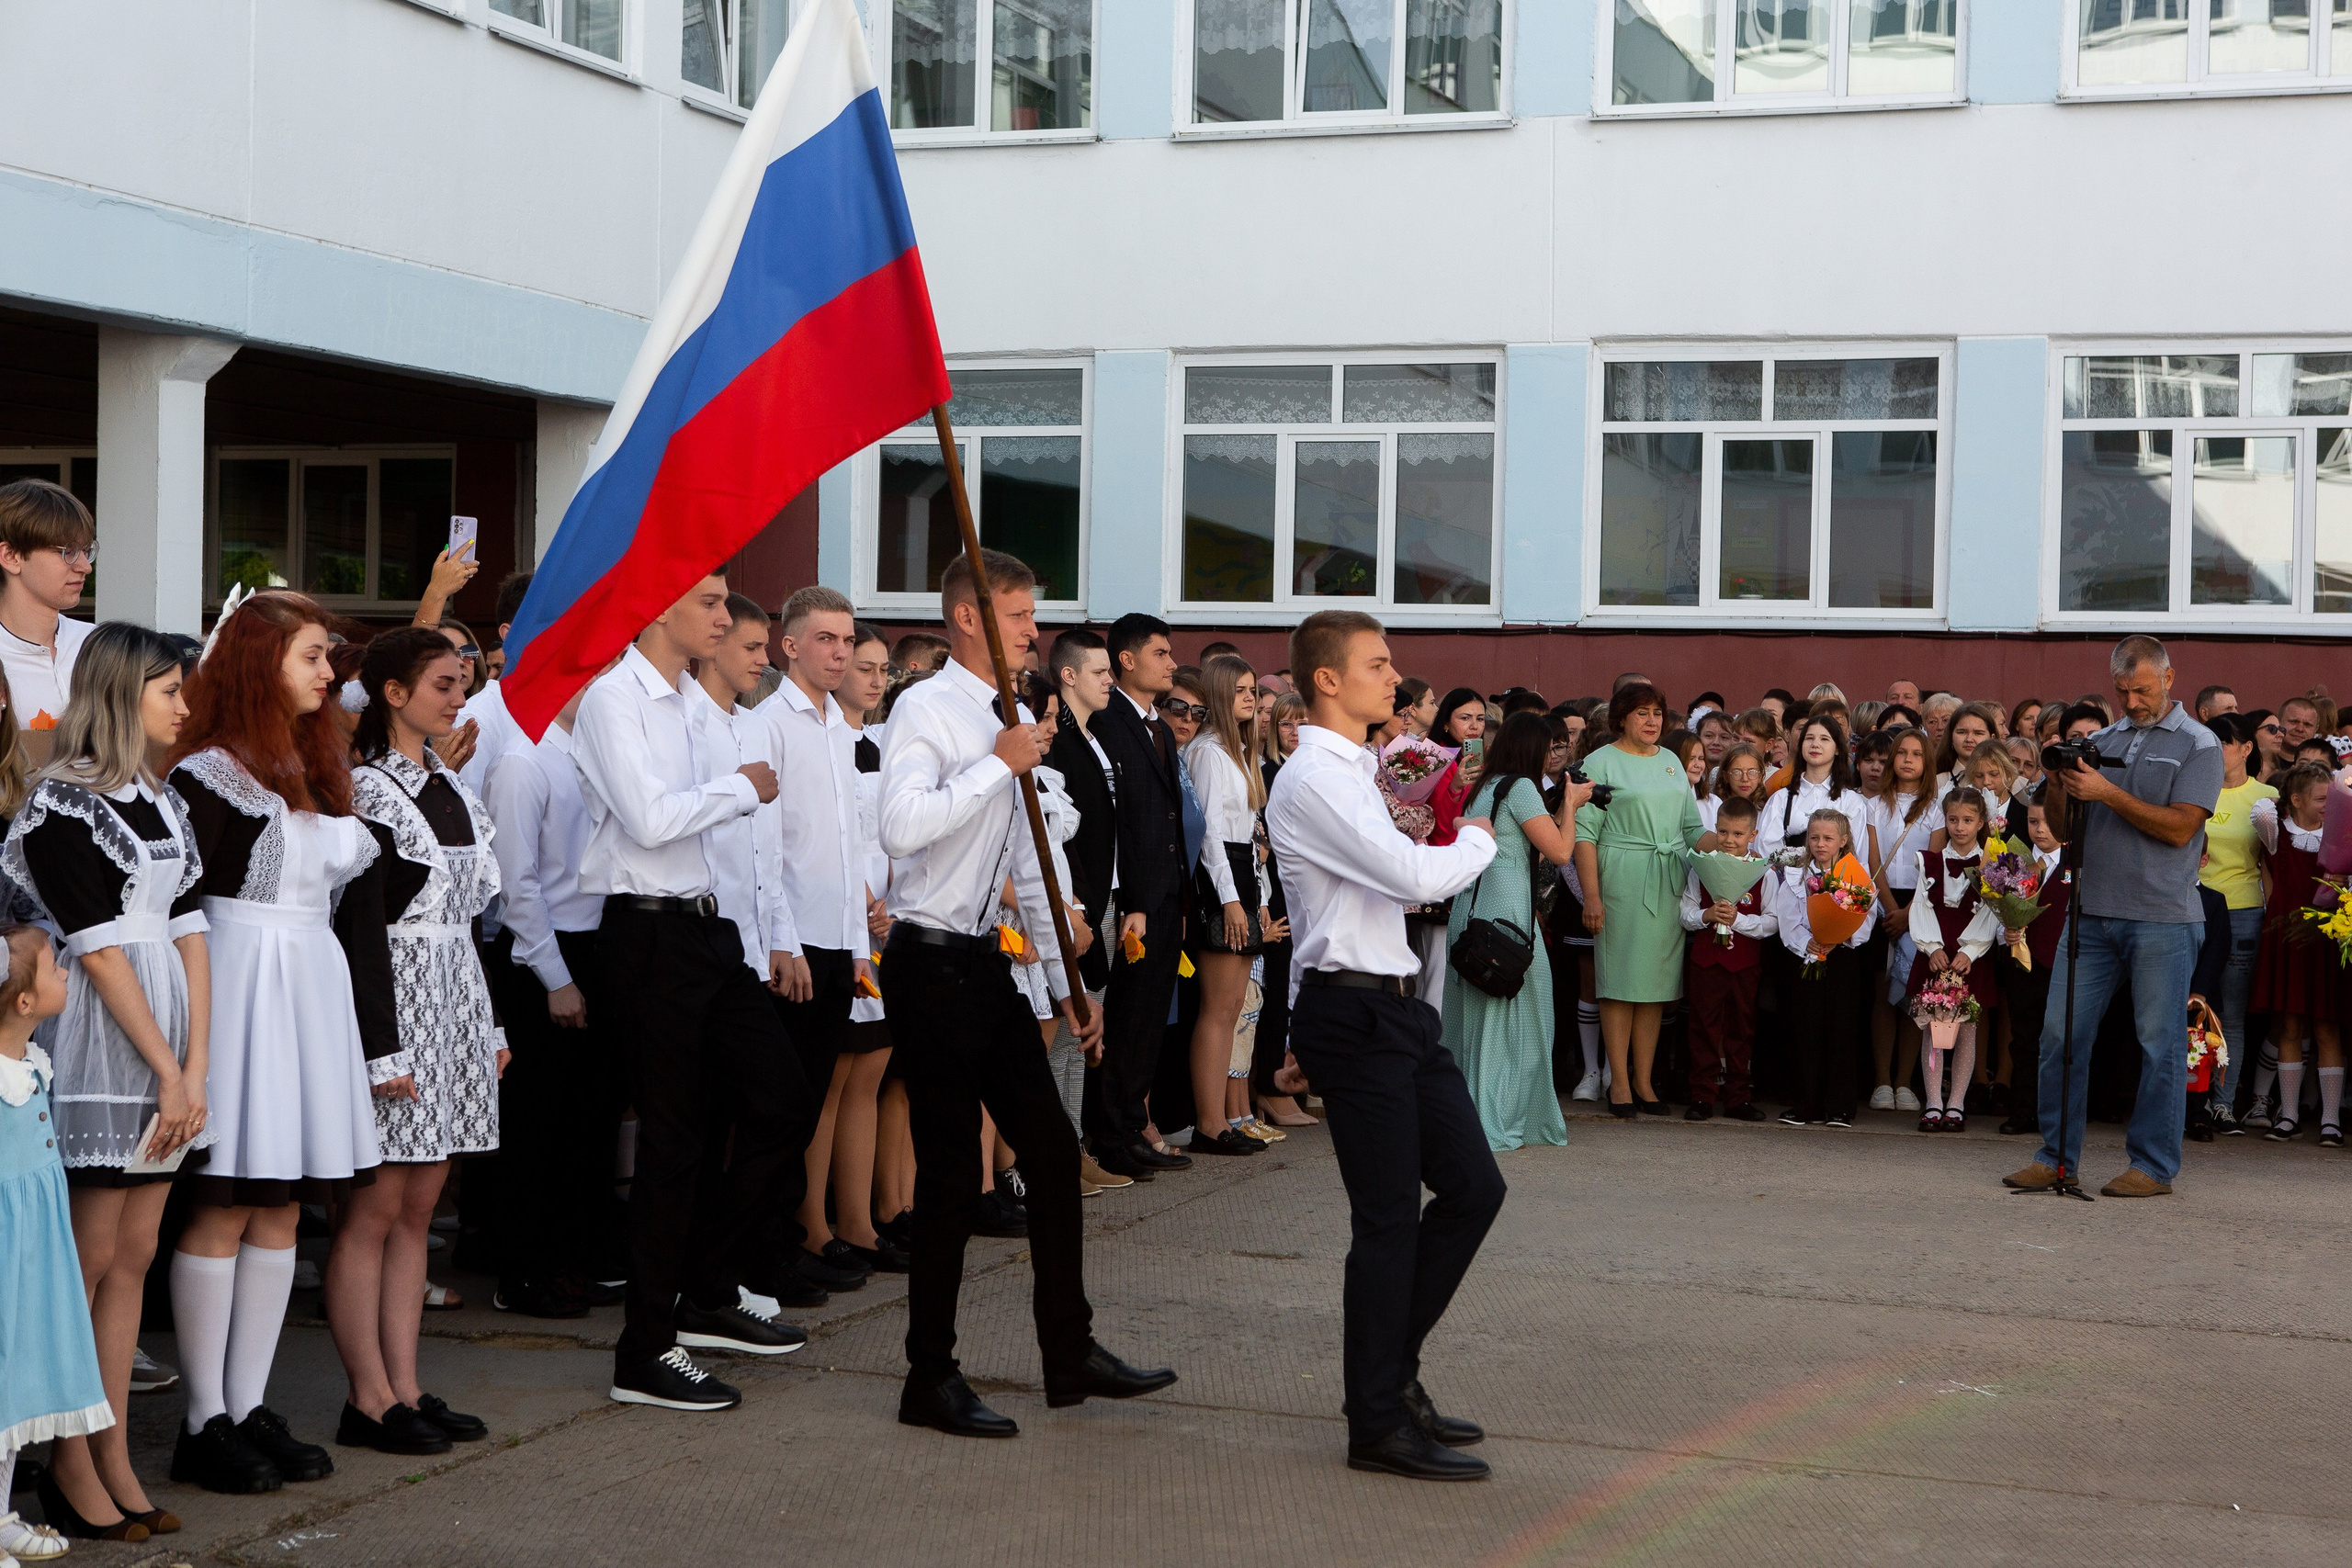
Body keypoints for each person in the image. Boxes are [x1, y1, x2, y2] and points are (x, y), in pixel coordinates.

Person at [876, 549, 1170, 1439]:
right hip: (928, 960)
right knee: (948, 1173)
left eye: (1031, 616)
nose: (1032, 631)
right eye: (1017, 616)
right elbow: (899, 826)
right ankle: (928, 1375)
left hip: (988, 966)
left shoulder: (1008, 716)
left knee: (1047, 1149)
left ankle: (1067, 1349)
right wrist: (994, 766)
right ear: (969, 618)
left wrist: (1065, 980)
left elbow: (1030, 856)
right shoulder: (927, 708)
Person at [1263, 609, 1502, 1482]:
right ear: (1328, 679)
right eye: (1378, 663)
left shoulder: (1357, 770)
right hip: (1357, 1015)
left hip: (1389, 1008)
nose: (1394, 677)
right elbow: (1408, 878)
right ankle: (1376, 1419)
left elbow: (1347, 906)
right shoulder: (1314, 778)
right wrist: (1477, 838)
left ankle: (1393, 1371)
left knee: (1474, 1185)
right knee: (1389, 1218)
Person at [164, 591, 395, 1494]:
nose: (329, 672)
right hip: (237, 985)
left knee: (282, 1209)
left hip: (306, 987)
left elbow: (359, 901)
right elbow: (178, 906)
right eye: (311, 655)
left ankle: (248, 1403)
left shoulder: (315, 763)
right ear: (261, 663)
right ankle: (203, 1421)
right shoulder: (208, 773)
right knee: (225, 1203)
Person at [574, 572, 812, 1412]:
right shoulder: (616, 701)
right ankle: (644, 1349)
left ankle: (705, 1286)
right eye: (708, 601)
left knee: (782, 1100)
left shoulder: (690, 705)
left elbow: (737, 837)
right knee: (673, 1143)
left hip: (710, 933)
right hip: (648, 934)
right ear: (657, 606)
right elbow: (651, 818)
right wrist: (742, 787)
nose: (722, 615)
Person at [5, 627, 205, 1541]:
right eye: (169, 690)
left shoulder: (160, 796)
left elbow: (192, 929)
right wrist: (166, 1066)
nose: (183, 706)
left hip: (165, 1038)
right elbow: (95, 946)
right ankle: (68, 1458)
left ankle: (113, 1448)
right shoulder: (62, 803)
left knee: (135, 1251)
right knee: (86, 1257)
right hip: (100, 1036)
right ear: (123, 693)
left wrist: (196, 1063)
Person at [334, 626, 503, 1455]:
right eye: (443, 682)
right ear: (394, 694)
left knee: (421, 1205)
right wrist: (382, 1046)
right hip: (395, 1004)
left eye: (462, 681)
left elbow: (469, 922)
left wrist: (489, 1022)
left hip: (454, 997)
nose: (458, 696)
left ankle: (404, 1384)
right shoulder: (367, 788)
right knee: (373, 1208)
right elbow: (361, 927)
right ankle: (365, 1397)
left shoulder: (451, 784)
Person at [2005, 636, 2222, 1199]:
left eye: (2142, 690)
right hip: (2091, 914)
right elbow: (2063, 829)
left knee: (2160, 1045)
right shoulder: (2101, 741)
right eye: (2122, 691)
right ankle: (2056, 1158)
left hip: (2163, 917)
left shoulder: (2199, 743)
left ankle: (2152, 1167)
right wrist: (2059, 783)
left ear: (2169, 679)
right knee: (2060, 1035)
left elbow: (2181, 828)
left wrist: (2106, 791)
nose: (2131, 702)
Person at [752, 587, 883, 1295]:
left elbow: (849, 847)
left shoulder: (840, 728)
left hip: (838, 940)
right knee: (784, 1105)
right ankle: (769, 1248)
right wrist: (785, 940)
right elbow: (767, 847)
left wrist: (859, 946)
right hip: (794, 942)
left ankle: (797, 1237)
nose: (839, 652)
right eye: (826, 639)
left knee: (809, 1103)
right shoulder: (770, 724)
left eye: (846, 639)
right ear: (790, 645)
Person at [481, 673, 618, 1318]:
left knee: (588, 1120)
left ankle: (573, 1259)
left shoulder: (590, 753)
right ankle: (524, 1271)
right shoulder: (523, 760)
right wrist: (556, 977)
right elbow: (517, 883)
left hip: (595, 943)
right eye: (593, 672)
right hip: (540, 954)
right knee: (538, 1122)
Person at [0, 926, 117, 1553]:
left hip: (35, 1247)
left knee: (20, 1374)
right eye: (54, 968)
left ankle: (1, 1515)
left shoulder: (31, 1063)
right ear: (25, 1002)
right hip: (6, 1248)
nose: (66, 973)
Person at [1443, 712, 1589, 1151]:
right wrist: (1570, 804)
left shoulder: (1484, 785)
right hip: (1507, 913)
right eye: (1549, 747)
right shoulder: (1521, 787)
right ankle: (1501, 1117)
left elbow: (1523, 846)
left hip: (1470, 910)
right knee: (1521, 1016)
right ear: (1532, 747)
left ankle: (1465, 1116)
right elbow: (1560, 852)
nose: (1552, 755)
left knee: (1475, 1018)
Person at [1573, 682, 1711, 1118]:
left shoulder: (1671, 761)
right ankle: (1618, 1083)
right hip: (1621, 879)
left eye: (1657, 713)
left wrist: (1732, 847)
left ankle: (1644, 1082)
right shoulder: (1599, 762)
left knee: (1654, 987)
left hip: (1667, 881)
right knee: (1618, 983)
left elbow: (1692, 829)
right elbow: (1584, 835)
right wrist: (1592, 897)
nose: (1652, 721)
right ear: (1621, 718)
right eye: (1641, 713)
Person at [1090, 613, 1190, 1181]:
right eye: (1160, 653)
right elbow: (1120, 821)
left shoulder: (1158, 727)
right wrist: (1135, 900)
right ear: (1126, 660)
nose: (1171, 663)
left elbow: (1169, 815)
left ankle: (1132, 1124)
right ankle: (1109, 1135)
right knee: (1126, 1020)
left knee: (1150, 1019)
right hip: (1135, 900)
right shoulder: (1109, 721)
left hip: (1167, 893)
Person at [831, 625, 914, 1247]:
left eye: (884, 669)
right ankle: (831, 1222)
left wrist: (892, 904)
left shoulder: (883, 742)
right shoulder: (824, 741)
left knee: (883, 1068)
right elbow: (826, 836)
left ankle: (882, 1210)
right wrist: (862, 903)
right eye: (865, 667)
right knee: (841, 1077)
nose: (877, 680)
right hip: (840, 921)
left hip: (889, 922)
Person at [1183, 654, 1272, 1157]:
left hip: (1243, 876)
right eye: (1240, 689)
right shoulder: (1209, 752)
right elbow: (1210, 834)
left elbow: (1248, 835)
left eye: (1253, 689)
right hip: (1220, 881)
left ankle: (1221, 1120)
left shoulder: (1240, 749)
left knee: (1235, 1007)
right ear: (1219, 693)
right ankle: (1209, 1122)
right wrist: (1232, 900)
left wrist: (1257, 897)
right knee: (1217, 1010)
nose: (1250, 698)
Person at [1043, 629, 1121, 1193]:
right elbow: (1059, 840)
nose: (1110, 680)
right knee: (1068, 1031)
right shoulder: (1060, 742)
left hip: (1102, 900)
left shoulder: (1097, 737)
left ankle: (1075, 1145)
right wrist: (1075, 907)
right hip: (1074, 904)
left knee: (1086, 1030)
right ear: (1068, 675)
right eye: (1099, 671)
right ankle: (1058, 1153)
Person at [2249, 763, 2340, 1145]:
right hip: (2286, 940)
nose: (2328, 805)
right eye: (2321, 799)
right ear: (2297, 800)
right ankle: (2288, 1116)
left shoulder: (2339, 836)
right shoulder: (2278, 835)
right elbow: (2261, 811)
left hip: (2326, 939)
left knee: (2327, 1028)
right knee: (2289, 1026)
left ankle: (2330, 1120)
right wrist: (2281, 797)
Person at [1770, 809, 1878, 1128]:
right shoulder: (1796, 876)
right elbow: (1788, 918)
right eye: (1814, 837)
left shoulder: (1855, 876)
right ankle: (1807, 1104)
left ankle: (1840, 1106)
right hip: (1807, 957)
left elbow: (1866, 917)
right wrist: (1808, 943)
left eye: (1828, 838)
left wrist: (1839, 937)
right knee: (1806, 1029)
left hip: (1842, 958)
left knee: (1841, 1030)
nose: (1820, 844)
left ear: (1843, 841)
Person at [1904, 787, 2001, 1133]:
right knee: (1934, 1028)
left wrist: (1969, 951)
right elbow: (1920, 906)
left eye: (1968, 820)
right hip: (1937, 955)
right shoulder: (1929, 862)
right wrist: (1932, 948)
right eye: (1953, 819)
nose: (1960, 827)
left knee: (1967, 1030)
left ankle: (1956, 1103)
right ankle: (1933, 1102)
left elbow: (1991, 911)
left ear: (1981, 823)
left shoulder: (1991, 865)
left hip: (1968, 957)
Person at [2195, 713, 2273, 1133]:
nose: (2216, 748)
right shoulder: (2194, 787)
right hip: (2192, 906)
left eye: (2224, 742)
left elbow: (2271, 865)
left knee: (2232, 1014)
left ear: (2246, 749)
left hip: (2242, 911)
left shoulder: (2266, 796)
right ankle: (2189, 1100)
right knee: (2188, 1006)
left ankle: (2222, 1104)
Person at [1679, 795, 1773, 1122]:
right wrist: (1706, 915)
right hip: (1707, 961)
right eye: (1722, 832)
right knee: (1703, 1026)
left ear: (1752, 835)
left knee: (1741, 1028)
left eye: (1737, 834)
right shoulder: (1702, 868)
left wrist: (1739, 921)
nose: (1729, 840)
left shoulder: (1762, 873)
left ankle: (1738, 1097)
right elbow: (1685, 913)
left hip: (1744, 964)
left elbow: (1772, 922)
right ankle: (1702, 1095)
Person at [1866, 728, 1940, 1112]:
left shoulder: (1936, 808)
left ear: (1927, 762)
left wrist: (1910, 913)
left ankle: (1905, 1082)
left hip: (1920, 905)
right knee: (1883, 994)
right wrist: (1891, 908)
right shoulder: (1874, 806)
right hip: (1882, 902)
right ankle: (1881, 1080)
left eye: (1917, 754)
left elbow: (1934, 865)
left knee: (1914, 996)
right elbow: (1873, 860)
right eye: (1902, 753)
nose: (1908, 760)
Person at [1994, 798, 2070, 1136]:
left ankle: (2056, 1115)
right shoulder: (2013, 863)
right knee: (2024, 1038)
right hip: (2023, 964)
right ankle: (2023, 1110)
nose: (2040, 830)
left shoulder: (2077, 864)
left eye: (2048, 822)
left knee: (2059, 1039)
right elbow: (1997, 909)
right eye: (2033, 822)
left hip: (2063, 964)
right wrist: (2007, 931)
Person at [0, 479, 95, 730]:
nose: (85, 566)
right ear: (11, 557)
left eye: (86, 550)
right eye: (67, 552)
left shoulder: (99, 645)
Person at [1761, 715, 1869, 859]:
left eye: (1824, 739)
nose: (1815, 744)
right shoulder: (1781, 798)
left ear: (1837, 748)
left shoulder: (1851, 801)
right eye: (1809, 738)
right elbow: (1767, 852)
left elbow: (1858, 855)